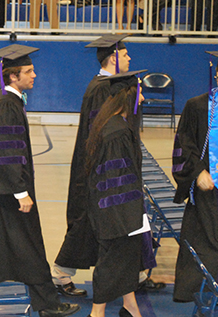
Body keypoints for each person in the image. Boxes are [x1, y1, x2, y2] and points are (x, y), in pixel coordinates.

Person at [0, 44, 80, 317]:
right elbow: (8, 152)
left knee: (16, 247)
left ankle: (44, 302)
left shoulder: (7, 101)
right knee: (29, 247)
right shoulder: (7, 106)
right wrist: (21, 192)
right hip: (8, 192)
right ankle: (48, 305)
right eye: (28, 71)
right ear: (12, 76)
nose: (34, 75)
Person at [52, 34, 131, 297]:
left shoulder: (105, 85)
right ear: (113, 58)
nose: (129, 58)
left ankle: (135, 275)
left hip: (97, 167)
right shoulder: (101, 89)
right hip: (94, 169)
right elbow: (100, 133)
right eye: (125, 54)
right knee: (85, 222)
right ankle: (60, 275)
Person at [172, 51, 218, 302]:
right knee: (209, 239)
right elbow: (183, 145)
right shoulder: (198, 107)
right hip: (210, 188)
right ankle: (201, 292)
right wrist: (197, 172)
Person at [86, 70, 147, 317]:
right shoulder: (117, 133)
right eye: (140, 93)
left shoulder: (111, 123)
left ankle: (130, 307)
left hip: (113, 208)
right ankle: (96, 313)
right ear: (129, 97)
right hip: (117, 211)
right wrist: (132, 218)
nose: (142, 99)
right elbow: (116, 182)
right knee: (112, 262)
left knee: (125, 259)